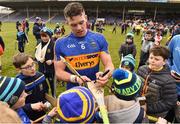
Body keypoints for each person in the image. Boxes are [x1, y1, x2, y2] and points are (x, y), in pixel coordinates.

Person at [54, 2, 114, 90]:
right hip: (73, 92)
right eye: (74, 25)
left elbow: (109, 64)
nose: (79, 28)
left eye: (81, 22)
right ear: (67, 23)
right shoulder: (60, 43)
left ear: (85, 18)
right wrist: (76, 78)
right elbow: (59, 72)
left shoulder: (99, 38)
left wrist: (106, 75)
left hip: (95, 89)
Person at [137, 46, 177, 118]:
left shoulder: (168, 81)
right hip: (137, 108)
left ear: (164, 62)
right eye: (151, 58)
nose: (152, 61)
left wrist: (148, 108)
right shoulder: (141, 69)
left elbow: (169, 102)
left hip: (154, 116)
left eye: (156, 59)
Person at [13, 53, 49, 121]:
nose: (32, 68)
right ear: (18, 69)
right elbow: (15, 107)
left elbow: (45, 92)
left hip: (42, 113)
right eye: (27, 67)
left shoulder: (41, 76)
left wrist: (45, 103)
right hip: (28, 117)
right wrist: (31, 106)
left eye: (33, 64)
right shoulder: (17, 84)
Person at [35, 27, 55, 97]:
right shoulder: (38, 44)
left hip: (50, 70)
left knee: (52, 84)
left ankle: (54, 96)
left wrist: (52, 61)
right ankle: (45, 98)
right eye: (42, 36)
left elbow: (59, 58)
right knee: (43, 85)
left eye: (46, 36)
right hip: (41, 69)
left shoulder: (53, 44)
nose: (44, 38)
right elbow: (36, 54)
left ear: (49, 36)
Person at [167, 32, 180, 122]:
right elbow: (167, 56)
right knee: (168, 116)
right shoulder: (176, 39)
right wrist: (170, 68)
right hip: (172, 86)